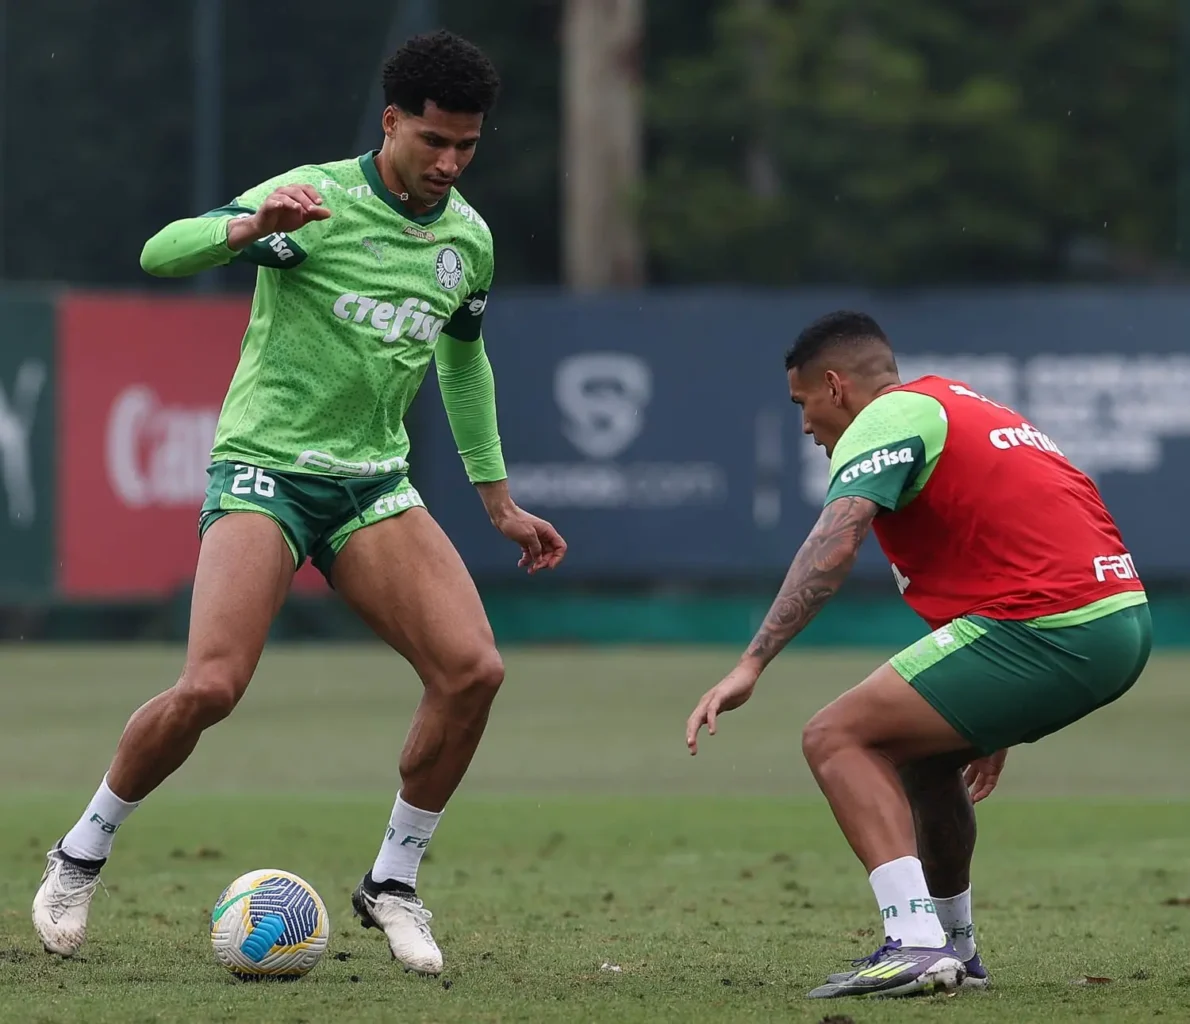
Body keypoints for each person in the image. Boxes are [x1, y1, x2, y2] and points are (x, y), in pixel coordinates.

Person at [32, 30, 565, 977]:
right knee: (211, 687)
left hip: (371, 486)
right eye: (433, 141)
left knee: (474, 670)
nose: (449, 163)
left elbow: (464, 360)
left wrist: (498, 501)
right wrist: (246, 224)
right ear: (392, 122)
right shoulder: (312, 199)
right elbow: (162, 254)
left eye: (467, 146)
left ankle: (392, 883)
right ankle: (81, 852)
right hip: (266, 471)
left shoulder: (467, 242)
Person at [685, 311, 1150, 999]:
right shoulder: (960, 404)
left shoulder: (887, 417)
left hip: (1052, 624)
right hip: (1117, 618)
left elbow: (832, 546)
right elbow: (1035, 521)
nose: (806, 425)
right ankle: (957, 948)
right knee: (925, 762)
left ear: (835, 386)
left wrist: (751, 662)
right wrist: (991, 713)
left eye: (802, 404)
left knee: (834, 736)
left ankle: (913, 940)